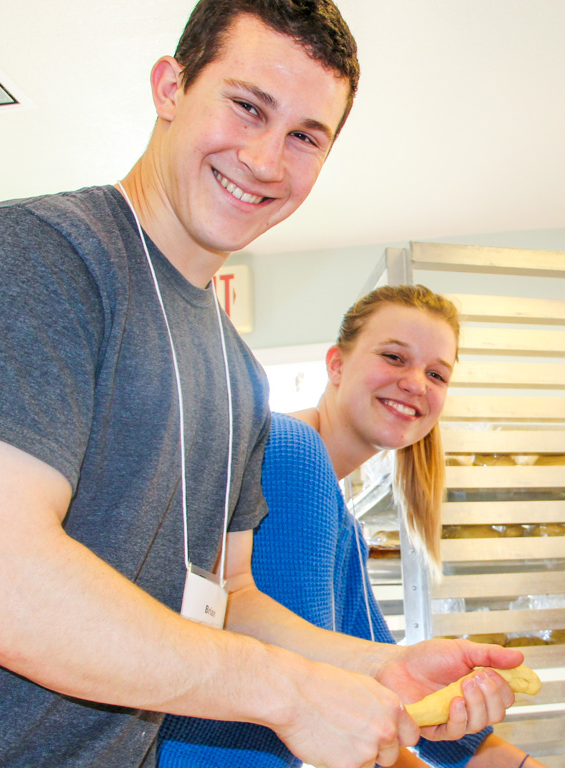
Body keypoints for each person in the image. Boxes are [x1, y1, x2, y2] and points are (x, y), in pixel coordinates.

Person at [0, 3, 515, 767]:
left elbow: (226, 599)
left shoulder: (235, 370)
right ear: (170, 86)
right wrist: (288, 692)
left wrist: (371, 669)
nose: (264, 159)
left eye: (303, 137)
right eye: (247, 106)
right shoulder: (39, 258)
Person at [158, 284, 545, 768]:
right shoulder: (290, 450)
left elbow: (386, 673)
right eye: (394, 357)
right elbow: (316, 677)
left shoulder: (338, 517)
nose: (416, 384)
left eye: (436, 374)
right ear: (336, 365)